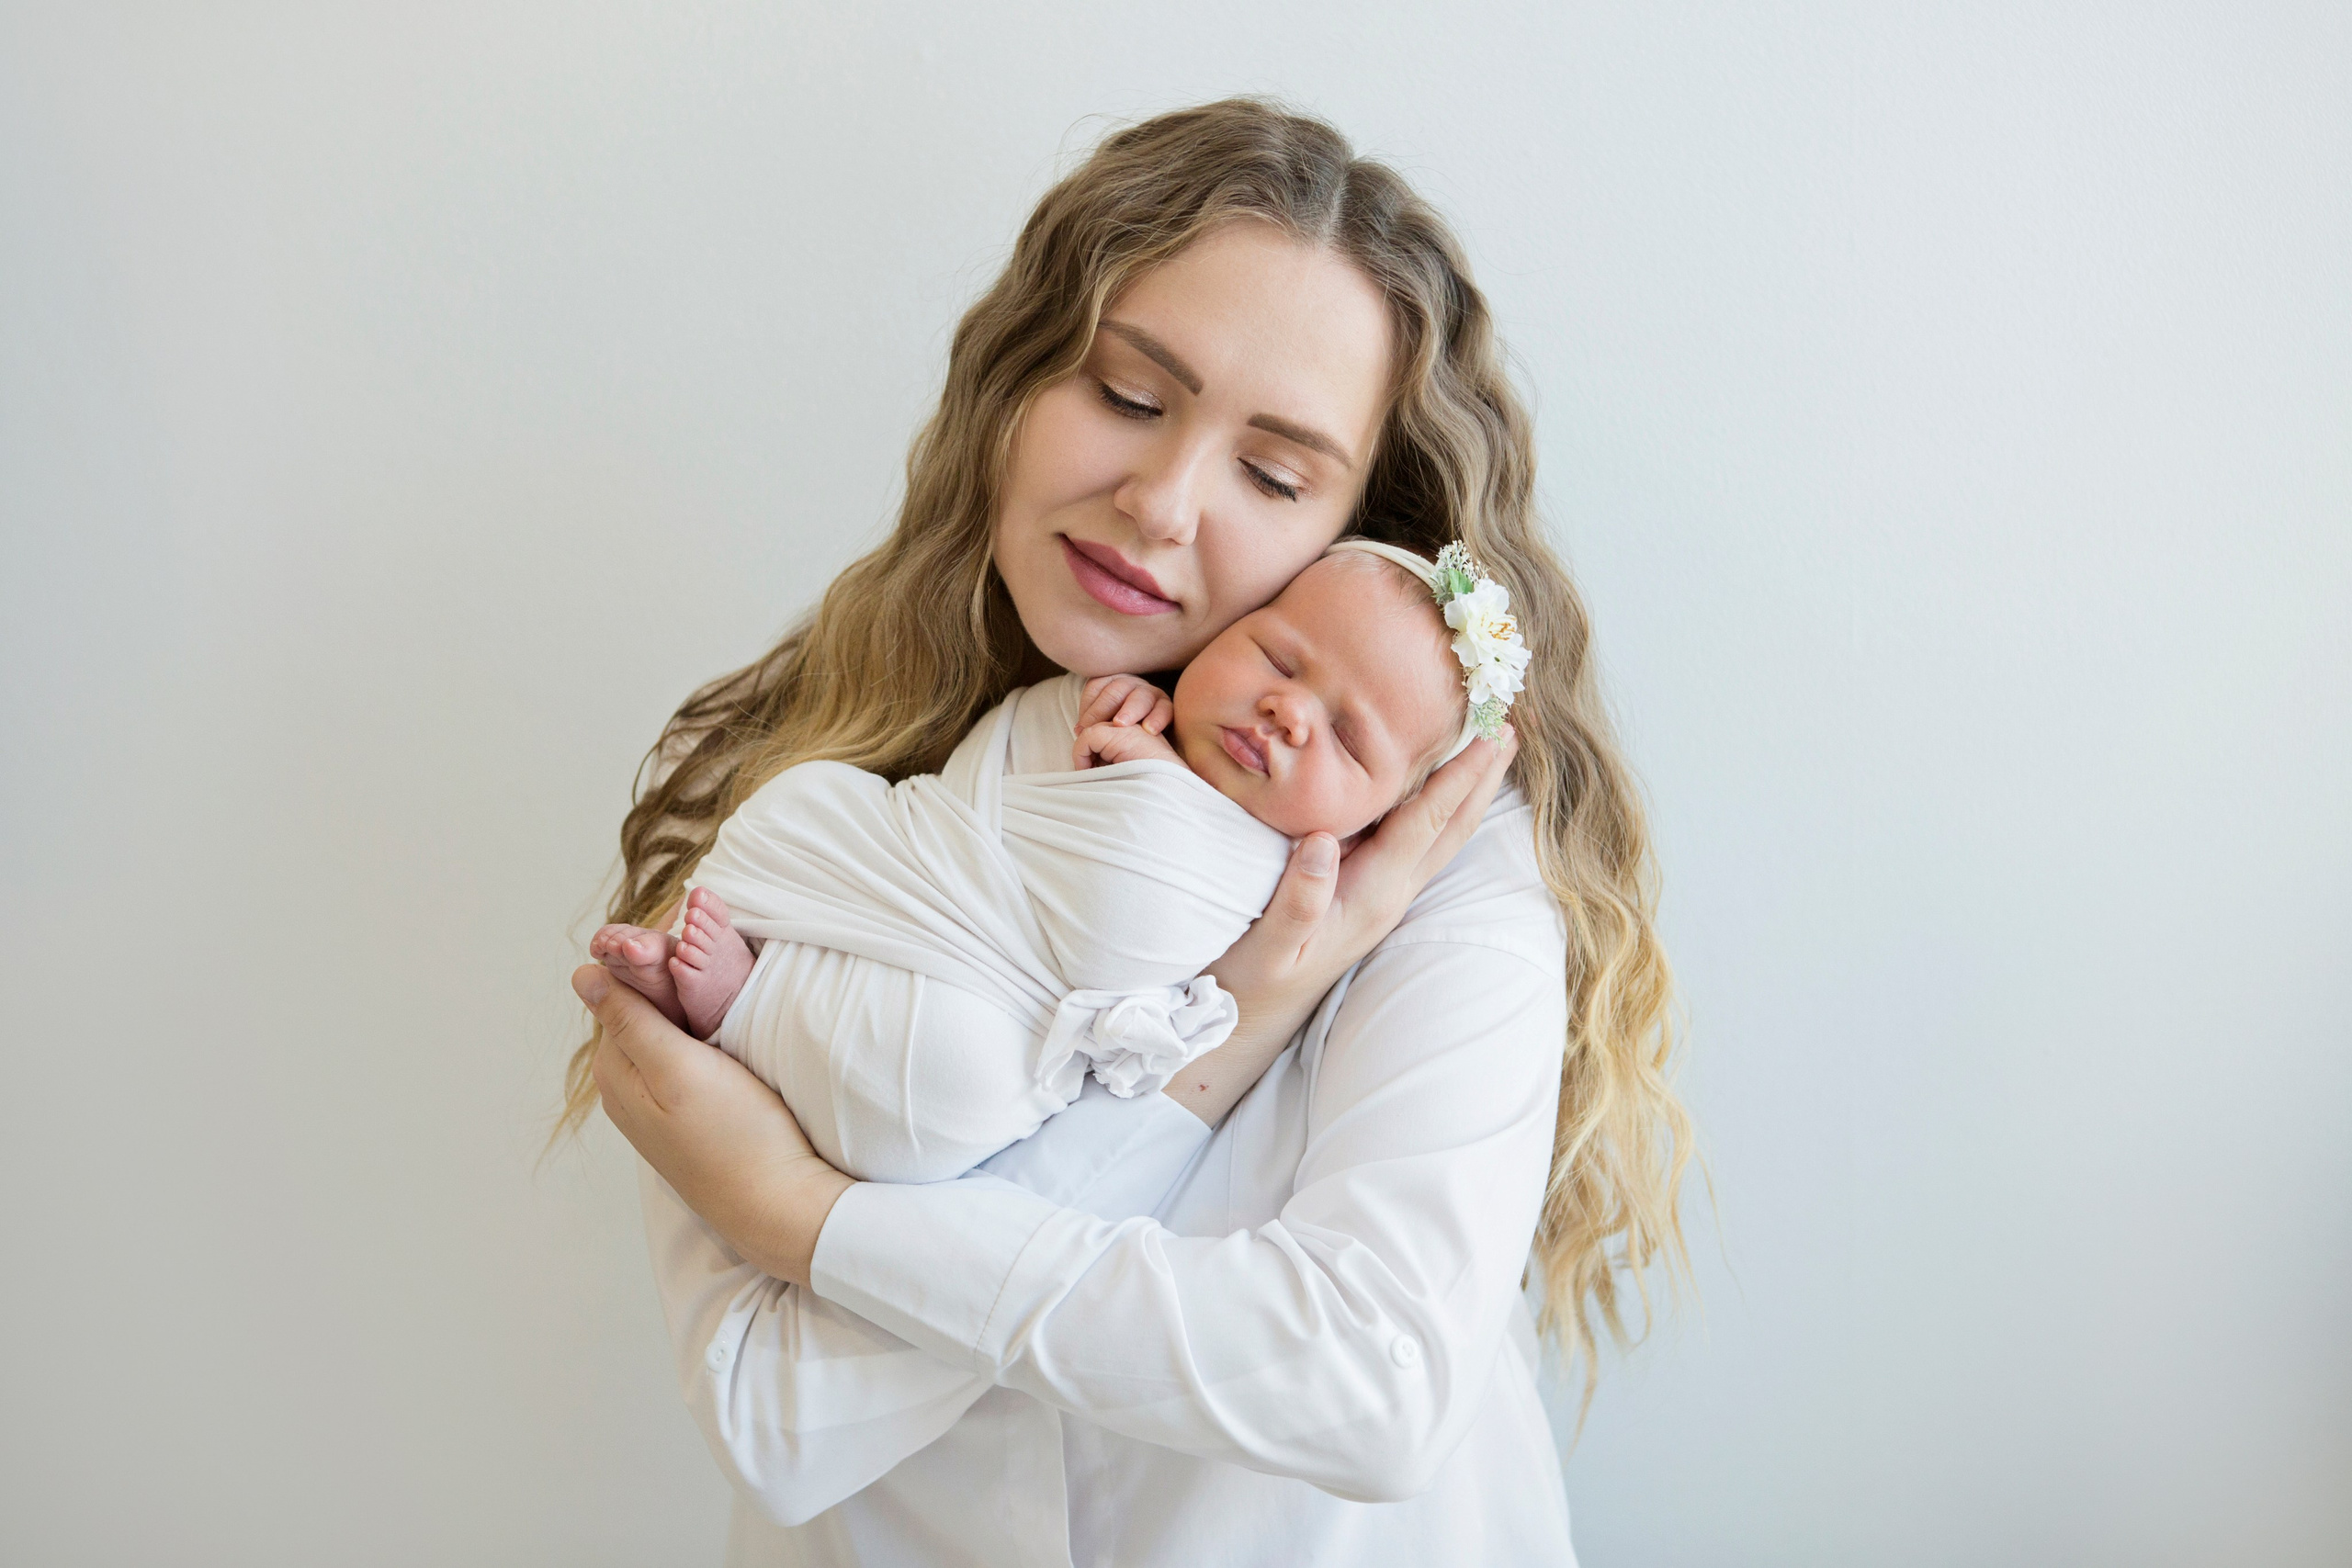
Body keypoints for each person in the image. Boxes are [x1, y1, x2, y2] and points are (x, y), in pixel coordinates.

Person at [561, 97, 1691, 1566]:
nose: (1160, 504)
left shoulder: (1434, 867)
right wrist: (1245, 1012)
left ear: (1358, 533)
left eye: (1273, 475)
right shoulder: (808, 803)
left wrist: (806, 1214)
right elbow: (778, 1417)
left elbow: (1372, 1381)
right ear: (1019, 383)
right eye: (1128, 393)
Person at [584, 542, 1521, 1188]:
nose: (1289, 711)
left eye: (1347, 738)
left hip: (980, 1020)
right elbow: (996, 771)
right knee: (802, 797)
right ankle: (743, 990)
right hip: (919, 872)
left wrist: (1146, 790)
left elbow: (1127, 924)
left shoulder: (1275, 878)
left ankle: (741, 1011)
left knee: (947, 1080)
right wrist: (1101, 724)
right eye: (1276, 657)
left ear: (1370, 825)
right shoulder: (1123, 709)